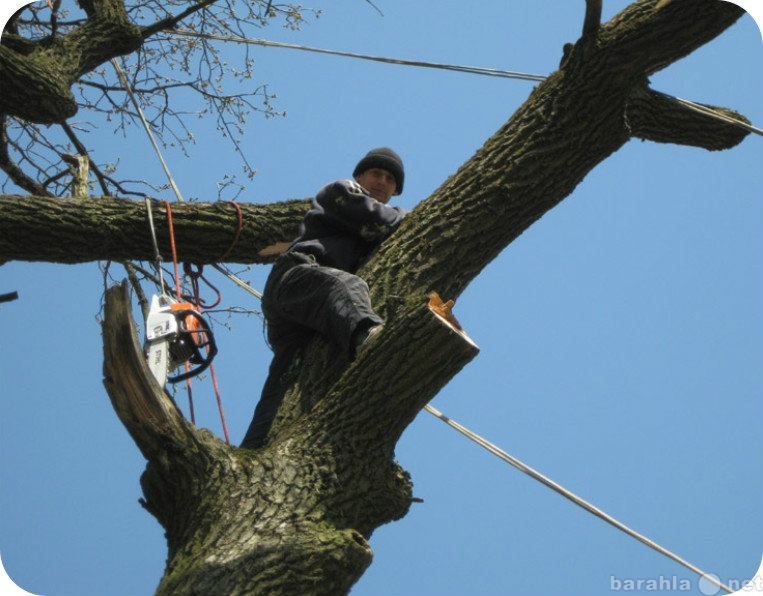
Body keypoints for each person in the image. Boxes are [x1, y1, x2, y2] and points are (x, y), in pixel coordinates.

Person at [240, 147, 408, 449]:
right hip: (299, 278)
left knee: (283, 385)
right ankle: (368, 335)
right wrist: (407, 216)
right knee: (345, 286)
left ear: (395, 190)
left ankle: (253, 450)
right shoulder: (343, 191)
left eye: (389, 179)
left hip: (312, 323)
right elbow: (376, 219)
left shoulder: (375, 234)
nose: (382, 181)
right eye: (376, 174)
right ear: (360, 176)